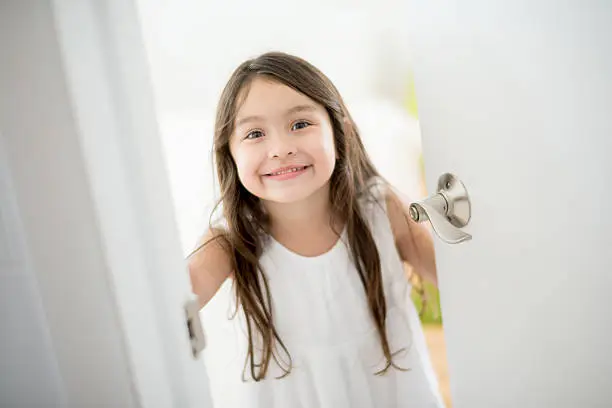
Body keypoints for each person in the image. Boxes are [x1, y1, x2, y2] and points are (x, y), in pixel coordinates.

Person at [188, 51, 444, 407]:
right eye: (255, 133)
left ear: (340, 132)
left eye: (299, 125)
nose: (280, 149)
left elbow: (456, 281)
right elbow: (167, 307)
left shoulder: (379, 210)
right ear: (229, 153)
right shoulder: (229, 242)